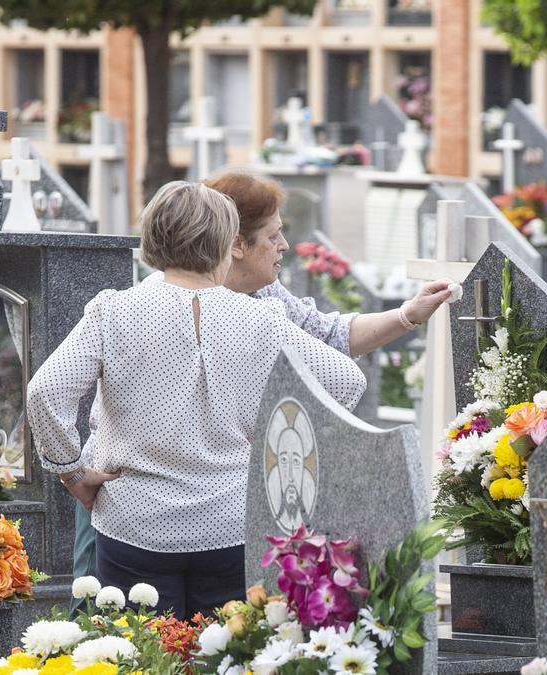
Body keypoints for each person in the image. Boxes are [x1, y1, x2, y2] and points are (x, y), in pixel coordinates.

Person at [61, 171, 457, 602]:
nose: (284, 246)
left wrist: (407, 315)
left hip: (145, 510)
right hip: (147, 503)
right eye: (273, 235)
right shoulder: (238, 315)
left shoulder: (263, 301)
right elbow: (343, 380)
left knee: (137, 649)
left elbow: (328, 336)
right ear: (233, 243)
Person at [27, 181, 367, 620]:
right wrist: (270, 446)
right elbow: (345, 381)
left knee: (141, 659)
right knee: (220, 657)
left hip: (134, 518)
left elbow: (45, 391)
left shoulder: (115, 311)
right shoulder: (259, 319)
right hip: (230, 522)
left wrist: (71, 472)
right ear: (227, 243)